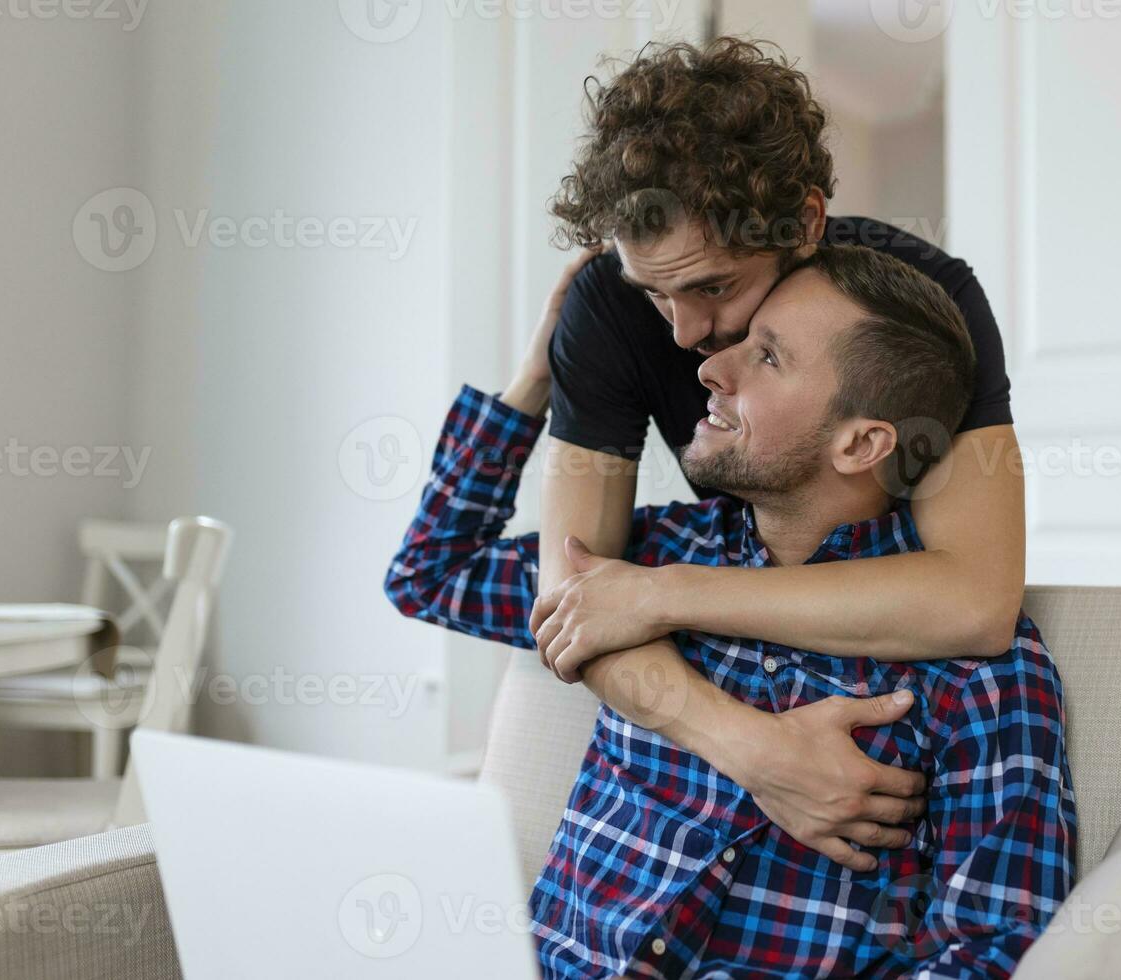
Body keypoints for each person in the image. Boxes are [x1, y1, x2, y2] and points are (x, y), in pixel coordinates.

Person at [387, 245, 1075, 978]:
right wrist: (539, 380)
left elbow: (991, 950)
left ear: (862, 442)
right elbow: (431, 572)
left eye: (768, 358)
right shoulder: (639, 564)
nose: (710, 369)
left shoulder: (983, 676)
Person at [525, 37, 1029, 871]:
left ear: (803, 223)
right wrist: (753, 751)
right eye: (655, 292)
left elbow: (974, 599)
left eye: (714, 288)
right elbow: (574, 607)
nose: (686, 338)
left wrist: (660, 596)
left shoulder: (922, 304)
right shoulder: (606, 310)